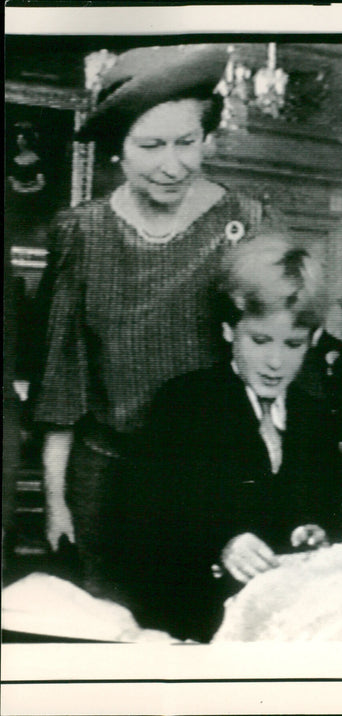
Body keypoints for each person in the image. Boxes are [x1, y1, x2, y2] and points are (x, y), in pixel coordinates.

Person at [32, 44, 270, 595]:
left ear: (207, 138)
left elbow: (277, 365)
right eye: (150, 145)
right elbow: (61, 380)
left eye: (188, 142)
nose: (173, 164)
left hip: (211, 483)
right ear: (117, 150)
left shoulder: (246, 222)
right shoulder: (80, 234)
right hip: (104, 480)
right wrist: (55, 502)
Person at [108, 235, 342, 642]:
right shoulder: (185, 402)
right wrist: (220, 546)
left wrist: (314, 530)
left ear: (312, 339)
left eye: (293, 344)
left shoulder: (315, 417)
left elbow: (329, 509)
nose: (276, 362)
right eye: (259, 340)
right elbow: (139, 523)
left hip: (284, 624)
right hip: (192, 618)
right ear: (228, 330)